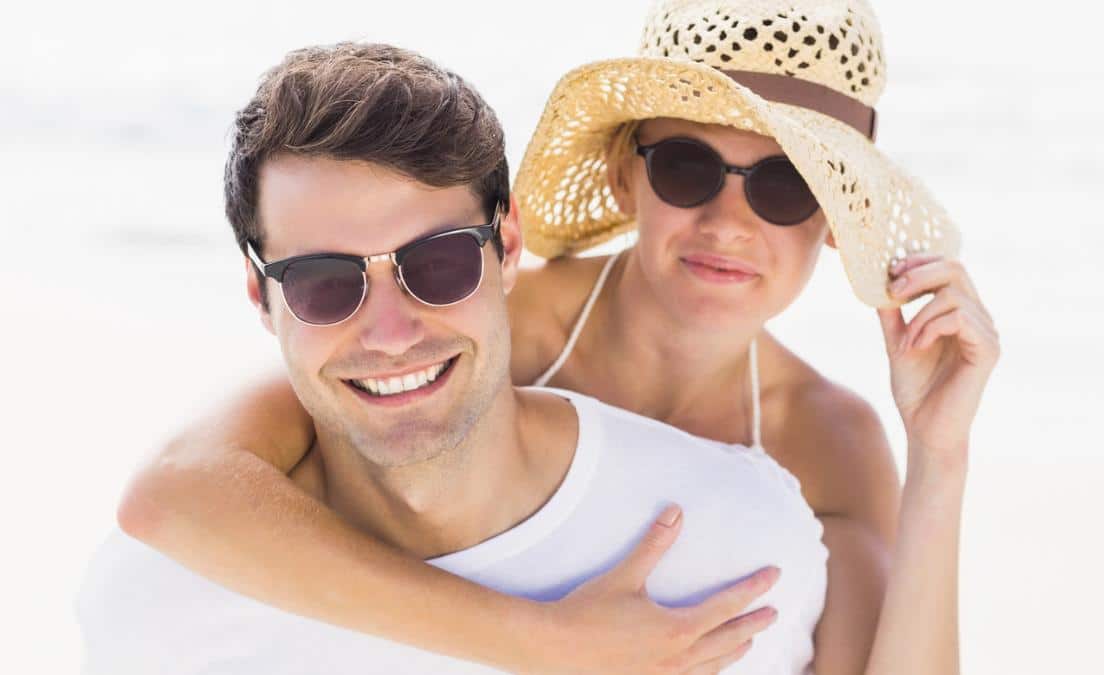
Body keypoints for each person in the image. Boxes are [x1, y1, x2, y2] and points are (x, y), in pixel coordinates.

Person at [104, 0, 1000, 673]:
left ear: (835, 221)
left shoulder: (825, 439)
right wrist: (542, 643)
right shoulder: (458, 317)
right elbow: (179, 489)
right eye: (689, 168)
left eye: (784, 187)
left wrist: (940, 457)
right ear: (623, 176)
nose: (730, 223)